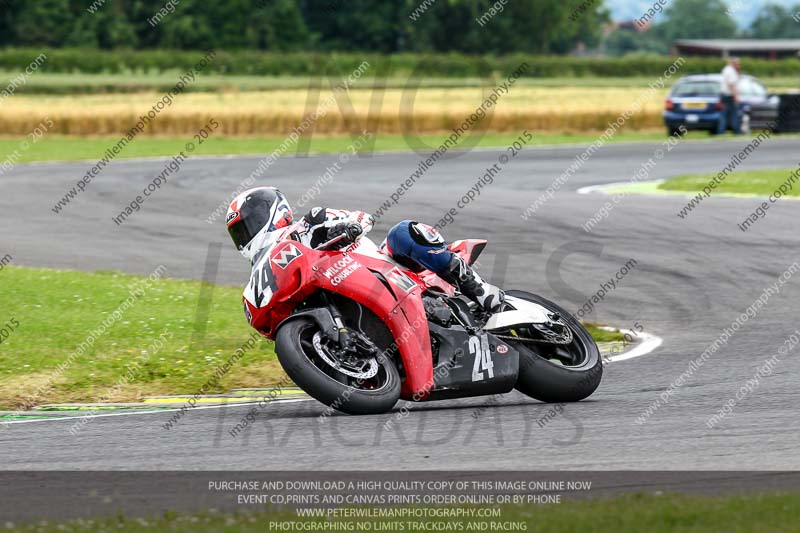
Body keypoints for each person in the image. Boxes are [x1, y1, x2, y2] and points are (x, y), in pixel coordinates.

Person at [225, 186, 504, 312]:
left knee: (403, 232)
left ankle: (478, 289)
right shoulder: (260, 279)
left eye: (251, 223)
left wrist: (347, 228)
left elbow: (361, 217)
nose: (247, 234)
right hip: (343, 296)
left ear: (275, 211)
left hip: (384, 268)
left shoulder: (307, 223)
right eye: (241, 231)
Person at [718, 57, 742, 135]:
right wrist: (736, 97)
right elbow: (731, 85)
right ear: (734, 63)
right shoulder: (731, 71)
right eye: (738, 64)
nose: (739, 65)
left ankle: (721, 131)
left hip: (724, 95)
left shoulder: (726, 69)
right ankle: (737, 131)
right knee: (734, 114)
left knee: (724, 114)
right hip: (729, 96)